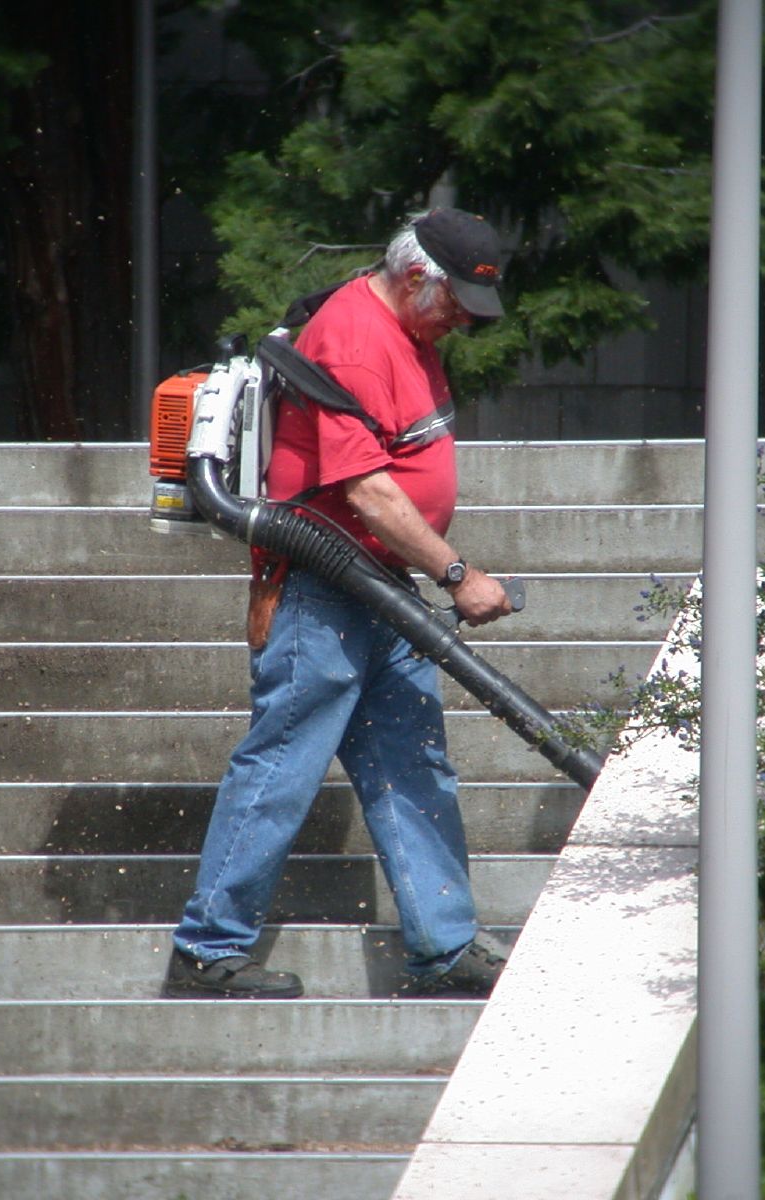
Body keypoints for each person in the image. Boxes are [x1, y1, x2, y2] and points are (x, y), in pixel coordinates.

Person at [165, 207, 515, 999]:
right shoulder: (356, 337)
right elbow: (368, 491)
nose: (463, 317)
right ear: (415, 274)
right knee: (284, 760)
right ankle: (207, 948)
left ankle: (445, 943)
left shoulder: (412, 334)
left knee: (411, 759)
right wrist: (458, 576)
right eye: (455, 298)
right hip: (323, 588)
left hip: (379, 588)